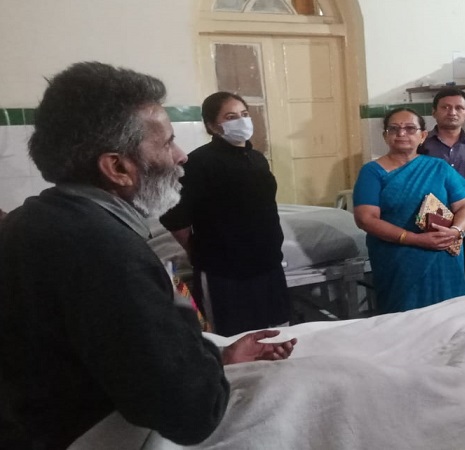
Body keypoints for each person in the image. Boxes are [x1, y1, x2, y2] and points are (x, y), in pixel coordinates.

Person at [0, 62, 296, 449]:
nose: (181, 156)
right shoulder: (106, 253)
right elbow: (191, 413)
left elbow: (128, 357)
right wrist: (205, 365)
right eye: (167, 143)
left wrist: (217, 355)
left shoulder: (33, 219)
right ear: (118, 167)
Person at [160, 92, 290, 336]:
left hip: (268, 265)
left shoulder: (256, 159)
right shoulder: (199, 163)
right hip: (225, 272)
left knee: (275, 336)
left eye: (244, 114)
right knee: (231, 340)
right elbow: (174, 216)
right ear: (212, 126)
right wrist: (196, 250)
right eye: (231, 117)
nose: (241, 121)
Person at [353, 107, 465, 313]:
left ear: (423, 136)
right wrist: (415, 239)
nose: (401, 133)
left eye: (410, 128)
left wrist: (456, 231)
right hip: (399, 258)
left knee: (450, 315)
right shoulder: (372, 172)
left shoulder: (439, 167)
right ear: (385, 136)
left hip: (443, 255)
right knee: (404, 316)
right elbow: (366, 219)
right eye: (394, 129)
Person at [420, 88, 465, 293]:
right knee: (434, 280)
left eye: (459, 108)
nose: (452, 112)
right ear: (434, 112)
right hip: (429, 223)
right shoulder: (421, 145)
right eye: (445, 107)